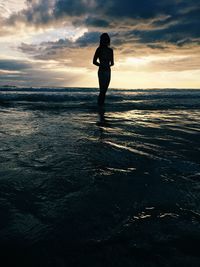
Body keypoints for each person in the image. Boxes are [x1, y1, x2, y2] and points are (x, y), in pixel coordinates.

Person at [93, 33, 114, 106]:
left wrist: (107, 65)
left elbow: (112, 63)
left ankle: (101, 106)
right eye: (103, 39)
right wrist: (102, 65)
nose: (104, 41)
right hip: (102, 71)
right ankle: (100, 106)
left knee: (104, 91)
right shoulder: (99, 49)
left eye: (106, 39)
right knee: (102, 90)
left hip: (108, 71)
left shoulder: (110, 50)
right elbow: (94, 62)